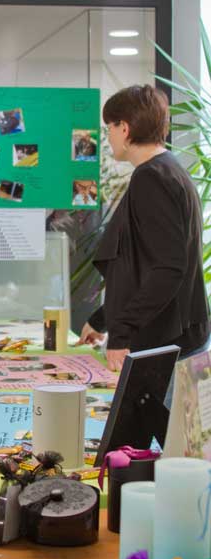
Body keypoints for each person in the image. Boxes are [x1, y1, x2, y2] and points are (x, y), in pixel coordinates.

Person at [78, 85, 210, 389]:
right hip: (181, 338)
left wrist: (120, 333)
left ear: (124, 128)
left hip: (169, 345)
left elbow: (168, 269)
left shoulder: (151, 178)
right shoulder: (169, 169)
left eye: (108, 127)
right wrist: (103, 319)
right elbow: (143, 268)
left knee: (154, 435)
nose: (107, 136)